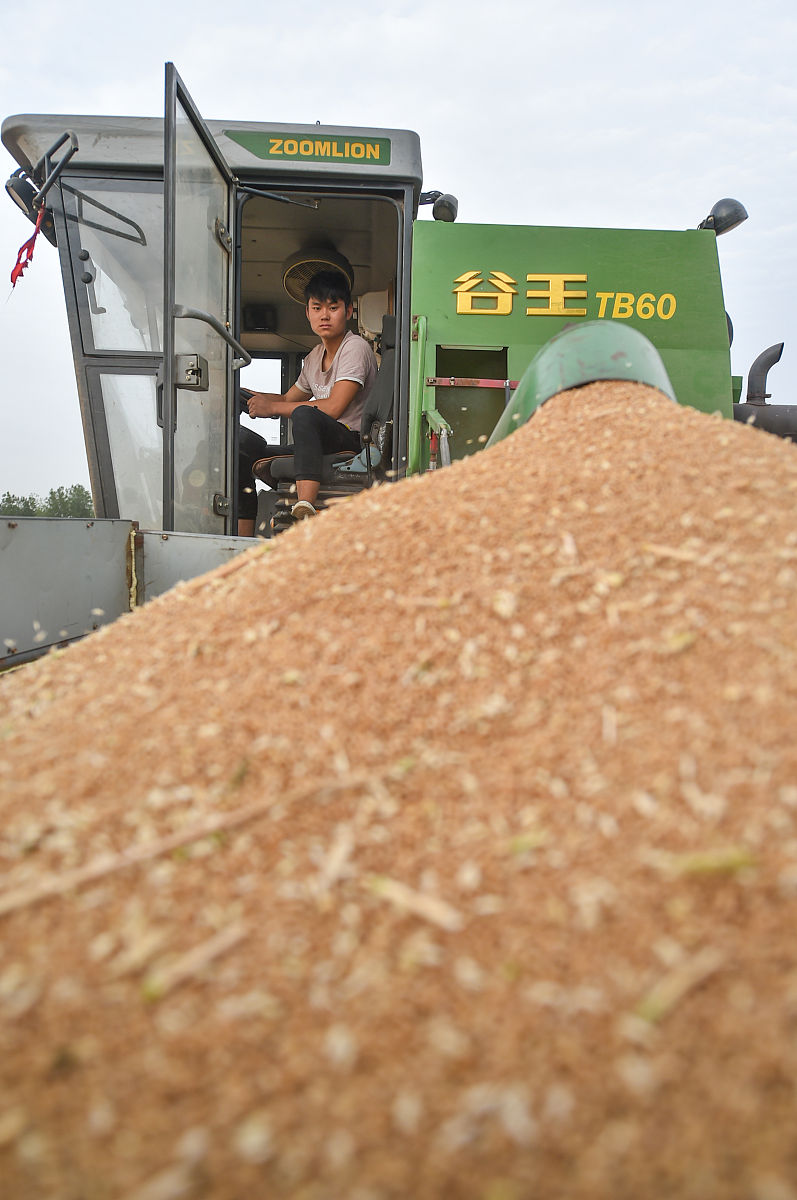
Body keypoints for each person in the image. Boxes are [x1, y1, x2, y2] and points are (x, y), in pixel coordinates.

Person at [238, 269, 377, 533]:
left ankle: (304, 507)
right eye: (317, 308)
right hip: (315, 445)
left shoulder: (355, 347)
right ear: (308, 312)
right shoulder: (314, 356)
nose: (324, 315)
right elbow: (289, 398)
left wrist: (275, 408)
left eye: (333, 308)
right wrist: (246, 395)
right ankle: (240, 538)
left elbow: (333, 408)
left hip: (349, 440)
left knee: (304, 414)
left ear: (348, 312)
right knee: (242, 447)